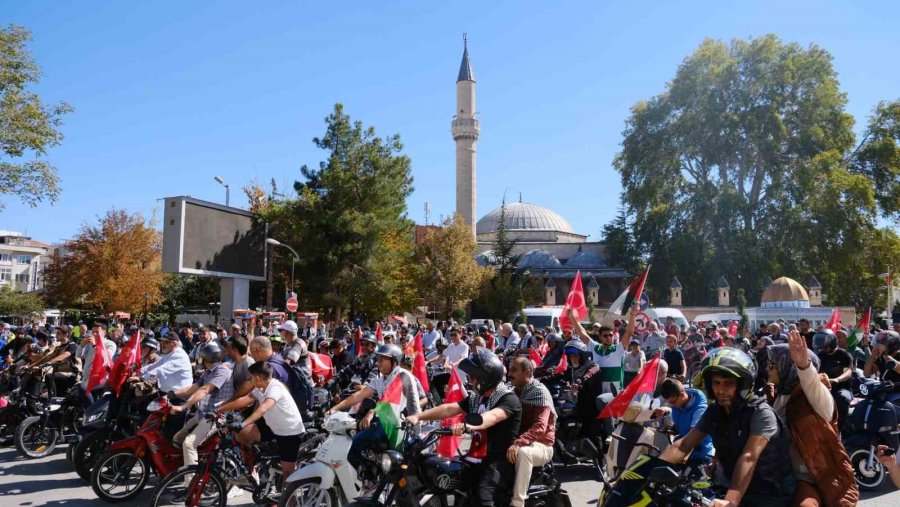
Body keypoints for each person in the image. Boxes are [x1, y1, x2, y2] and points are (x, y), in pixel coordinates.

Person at [660, 347, 792, 506]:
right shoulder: (715, 411)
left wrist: (730, 501)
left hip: (769, 495)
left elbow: (749, 457)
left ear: (742, 385)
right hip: (733, 488)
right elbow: (685, 444)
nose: (720, 390)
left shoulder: (761, 414)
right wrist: (648, 469)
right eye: (716, 383)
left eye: (728, 383)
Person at [406, 348, 521, 507]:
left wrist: (467, 425)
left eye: (473, 376)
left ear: (484, 378)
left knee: (483, 499)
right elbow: (449, 408)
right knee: (446, 481)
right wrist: (418, 416)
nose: (469, 379)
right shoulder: (478, 399)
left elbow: (492, 417)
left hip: (497, 461)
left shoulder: (508, 399)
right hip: (475, 457)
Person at [765, 334, 858, 506]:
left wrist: (803, 365)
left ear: (788, 367)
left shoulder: (816, 399)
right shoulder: (778, 396)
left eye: (773, 365)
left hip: (811, 475)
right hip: (778, 473)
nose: (768, 369)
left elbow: (811, 384)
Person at [327, 344, 420, 480]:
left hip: (402, 428)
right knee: (353, 445)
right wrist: (334, 408)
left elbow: (388, 401)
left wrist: (371, 414)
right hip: (385, 424)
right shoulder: (381, 379)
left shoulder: (403, 376)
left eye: (383, 359)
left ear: (394, 362)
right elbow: (358, 395)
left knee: (397, 472)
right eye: (378, 358)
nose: (379, 362)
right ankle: (370, 477)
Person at [218, 361, 305, 478]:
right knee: (240, 434)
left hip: (289, 433)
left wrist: (243, 424)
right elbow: (246, 399)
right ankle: (251, 470)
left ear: (258, 378)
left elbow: (264, 408)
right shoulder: (260, 388)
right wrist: (219, 410)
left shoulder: (275, 388)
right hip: (273, 427)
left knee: (288, 474)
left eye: (251, 378)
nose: (250, 380)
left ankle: (291, 496)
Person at [169, 343, 235, 484]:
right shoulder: (209, 372)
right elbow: (193, 388)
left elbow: (205, 389)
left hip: (217, 416)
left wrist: (184, 406)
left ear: (205, 358)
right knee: (177, 438)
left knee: (189, 443)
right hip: (204, 414)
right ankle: (183, 470)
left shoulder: (222, 371)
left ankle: (192, 485)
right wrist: (171, 395)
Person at [506, 357, 555, 507]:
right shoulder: (514, 392)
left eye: (514, 370)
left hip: (542, 446)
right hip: (520, 441)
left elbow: (540, 426)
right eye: (509, 369)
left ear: (527, 372)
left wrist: (518, 443)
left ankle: (517, 503)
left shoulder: (539, 391)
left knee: (523, 453)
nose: (509, 374)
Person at [655, 378, 713, 474]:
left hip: (700, 457)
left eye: (673, 402)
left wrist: (677, 460)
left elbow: (692, 439)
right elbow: (680, 428)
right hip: (682, 451)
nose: (672, 405)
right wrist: (669, 428)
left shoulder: (700, 410)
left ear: (682, 395)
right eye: (669, 403)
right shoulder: (679, 403)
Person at [813, 329, 853, 434]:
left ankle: (839, 430)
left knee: (842, 398)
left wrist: (837, 380)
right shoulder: (820, 356)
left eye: (825, 345)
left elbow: (848, 371)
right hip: (823, 388)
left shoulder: (844, 354)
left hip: (841, 388)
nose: (823, 348)